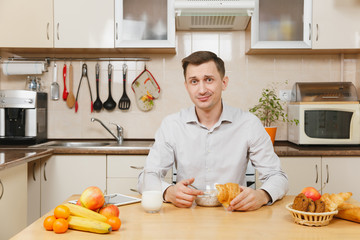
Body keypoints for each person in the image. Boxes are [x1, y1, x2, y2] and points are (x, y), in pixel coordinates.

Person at [138, 51, 288, 211]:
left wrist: (263, 195)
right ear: (186, 86)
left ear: (224, 83)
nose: (202, 90)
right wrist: (168, 192)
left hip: (235, 214)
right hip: (187, 216)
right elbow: (146, 177)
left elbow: (277, 176)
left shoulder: (249, 124)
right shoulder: (172, 125)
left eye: (209, 80)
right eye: (194, 81)